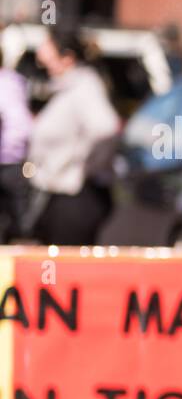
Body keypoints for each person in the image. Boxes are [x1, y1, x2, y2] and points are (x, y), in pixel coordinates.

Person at [26, 30, 119, 245]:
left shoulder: (84, 86)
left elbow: (106, 129)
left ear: (67, 58)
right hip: (59, 196)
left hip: (76, 199)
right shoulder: (65, 89)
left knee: (67, 270)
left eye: (48, 57)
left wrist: (82, 168)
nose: (42, 61)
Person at [0, 53, 33, 239]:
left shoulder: (8, 83)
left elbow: (20, 127)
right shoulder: (14, 81)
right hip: (14, 161)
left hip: (9, 164)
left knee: (19, 223)